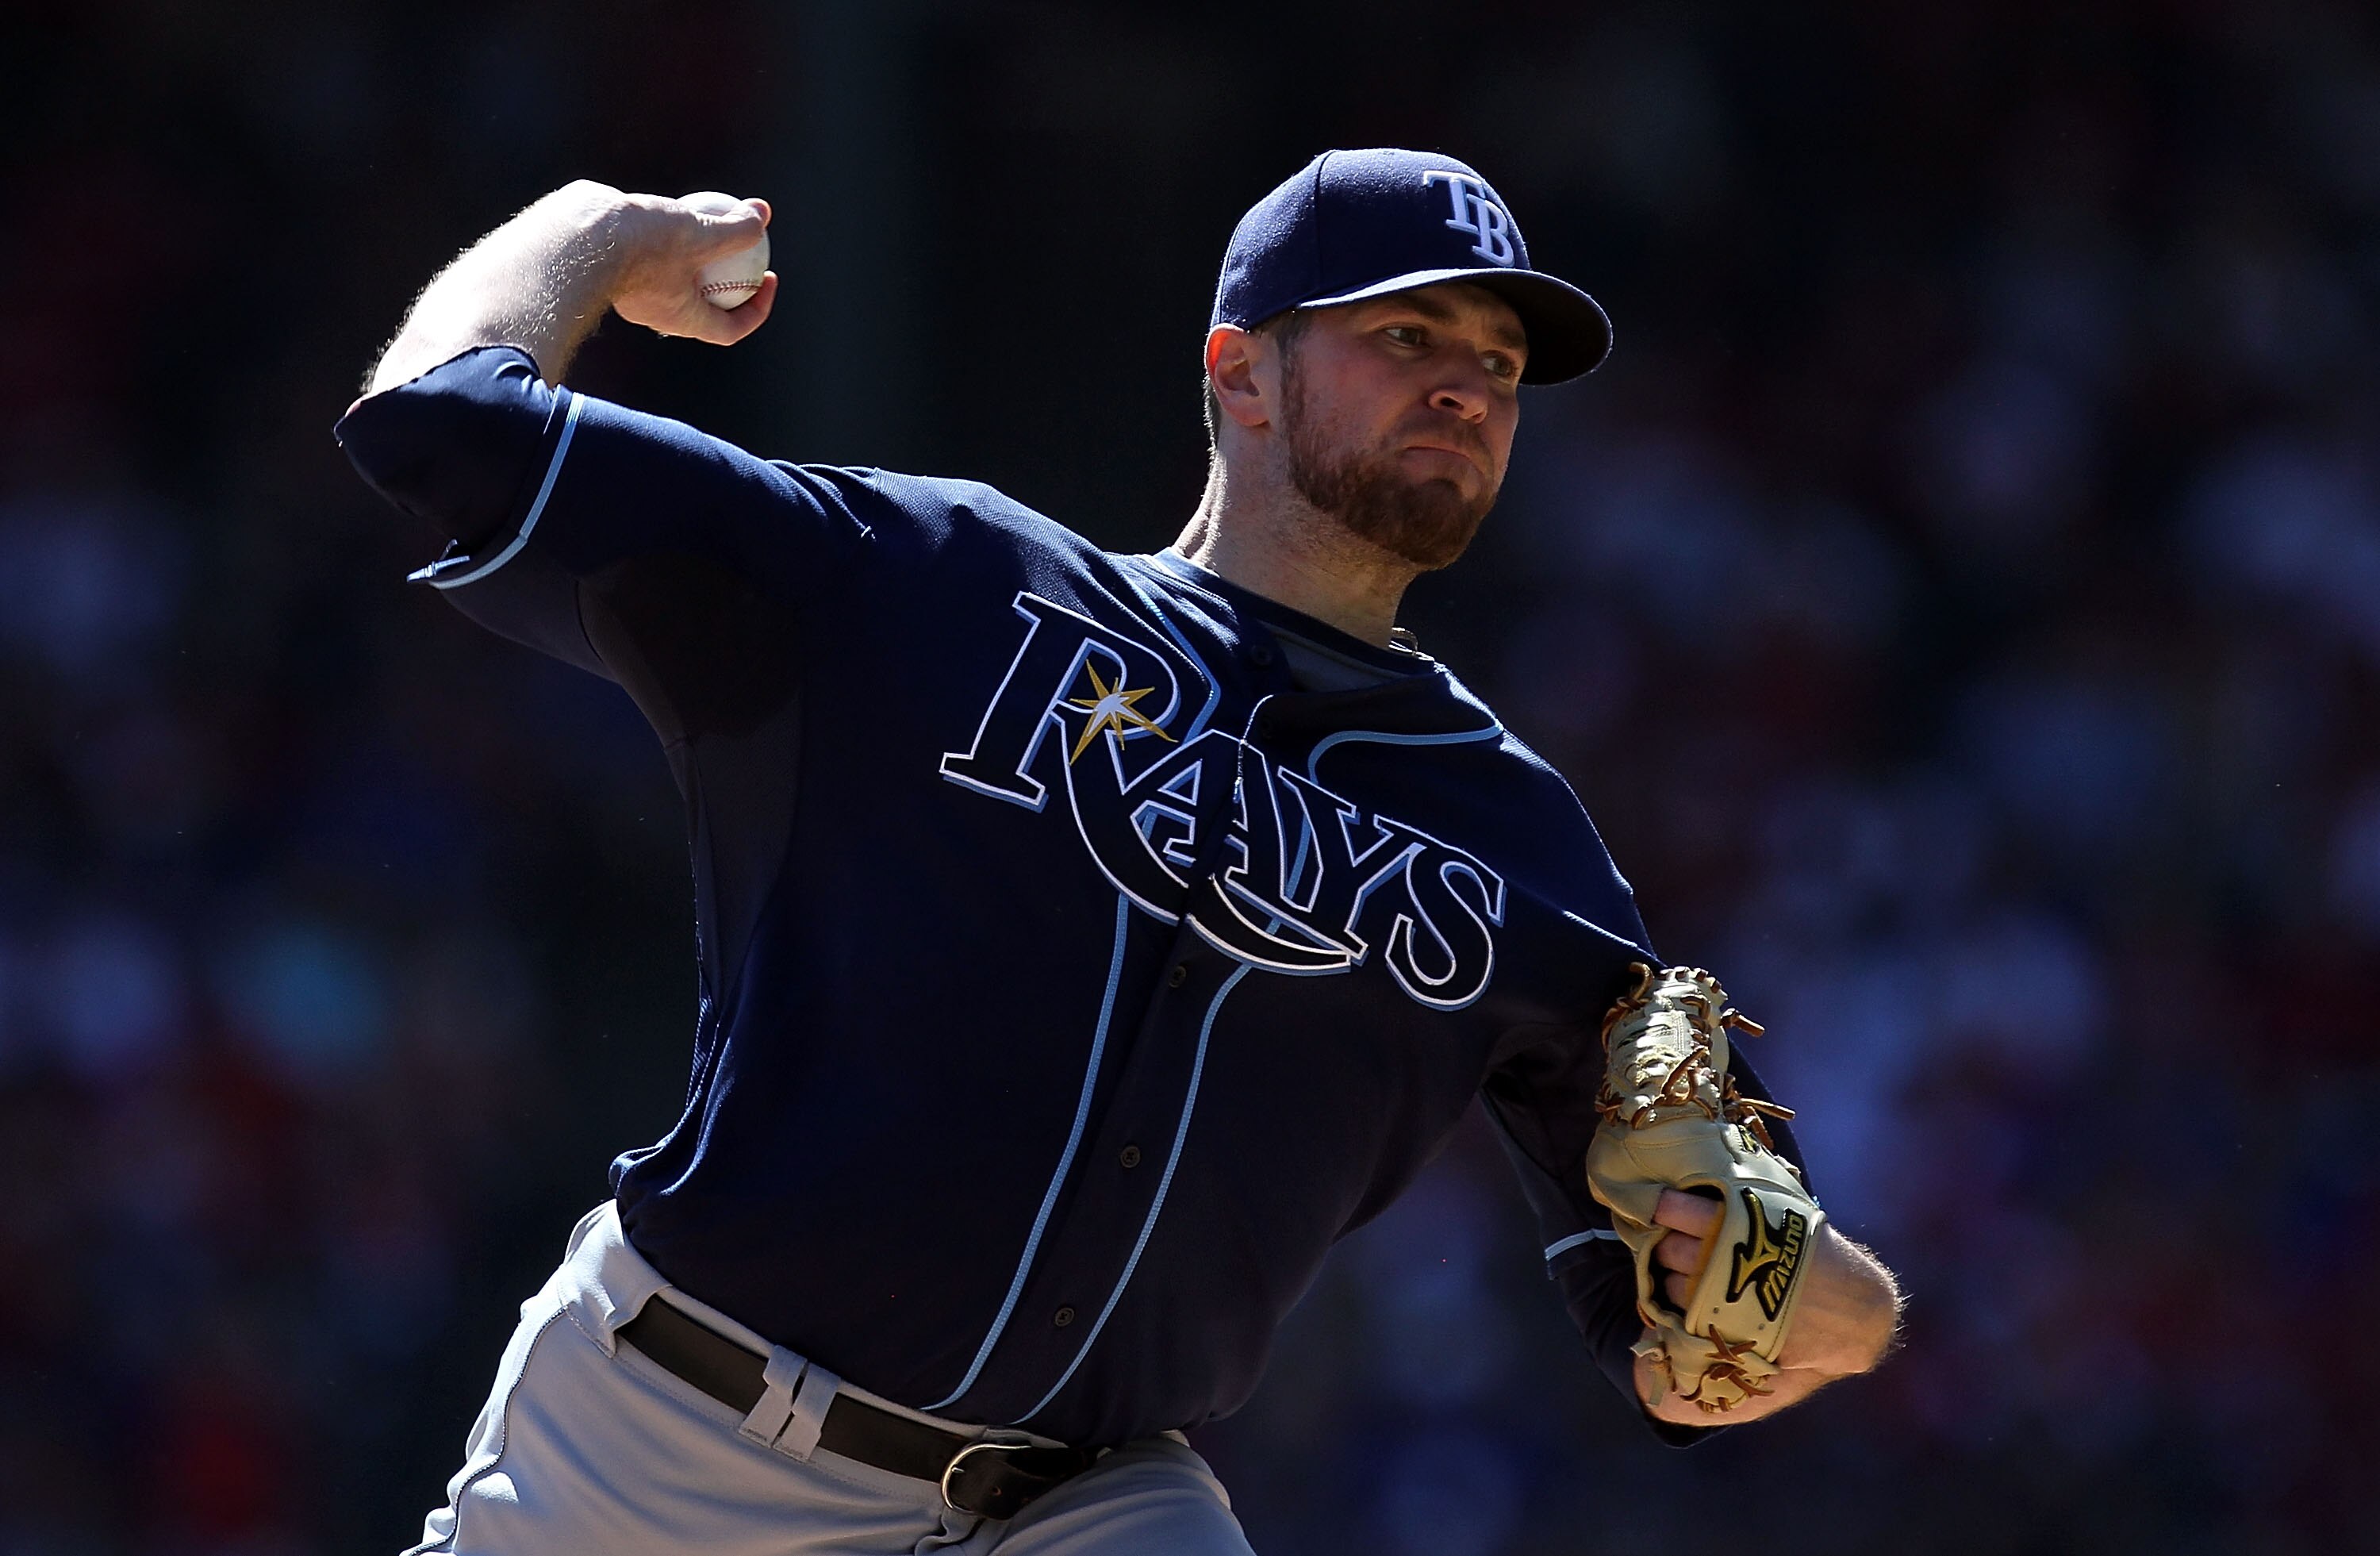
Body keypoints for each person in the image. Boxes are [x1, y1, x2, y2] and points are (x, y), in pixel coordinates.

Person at [336, 148, 1900, 1556]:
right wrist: (598, 236)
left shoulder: (1525, 848)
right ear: (1242, 376)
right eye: (1405, 337)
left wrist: (1821, 1300)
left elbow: (1725, 1322)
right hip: (679, 1448)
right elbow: (440, 421)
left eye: (1498, 362)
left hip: (1083, 1502)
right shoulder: (928, 586)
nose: (1468, 388)